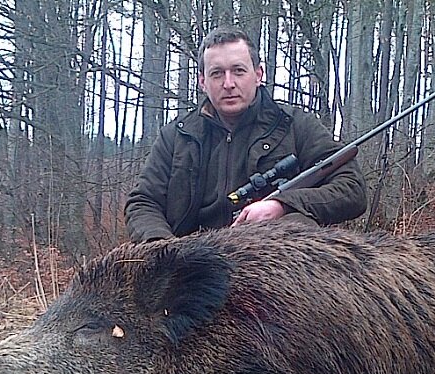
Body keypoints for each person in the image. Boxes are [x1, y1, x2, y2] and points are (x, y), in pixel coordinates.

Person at [124, 27, 367, 243]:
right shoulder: (176, 136)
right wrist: (163, 248)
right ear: (202, 82)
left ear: (258, 75)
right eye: (217, 74)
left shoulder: (296, 125)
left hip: (276, 265)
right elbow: (143, 202)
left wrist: (283, 205)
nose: (228, 83)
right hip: (192, 266)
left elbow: (351, 189)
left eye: (238, 71)